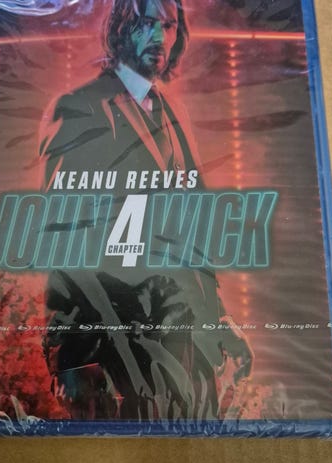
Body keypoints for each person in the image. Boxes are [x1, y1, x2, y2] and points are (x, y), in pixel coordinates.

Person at [38, 0, 253, 421]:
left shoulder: (175, 113)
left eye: (168, 26)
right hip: (115, 344)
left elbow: (192, 228)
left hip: (186, 343)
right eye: (146, 23)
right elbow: (62, 235)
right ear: (121, 27)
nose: (158, 36)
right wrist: (69, 354)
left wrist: (219, 319)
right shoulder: (78, 107)